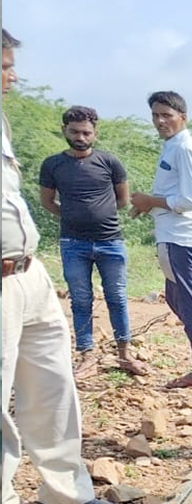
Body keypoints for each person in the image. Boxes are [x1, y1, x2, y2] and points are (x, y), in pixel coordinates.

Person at [2, 29, 124, 504]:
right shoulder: (55, 162)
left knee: (54, 386)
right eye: (5, 65)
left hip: (26, 273)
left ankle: (64, 492)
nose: (12, 76)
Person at [39, 105, 149, 378]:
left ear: (95, 134)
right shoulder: (52, 164)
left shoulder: (109, 162)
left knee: (117, 298)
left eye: (86, 132)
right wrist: (72, 216)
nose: (80, 137)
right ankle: (87, 355)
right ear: (64, 130)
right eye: (75, 131)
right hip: (73, 243)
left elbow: (122, 200)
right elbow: (47, 201)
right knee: (80, 299)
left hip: (110, 241)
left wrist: (98, 215)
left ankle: (125, 354)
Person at [129, 91, 192, 388]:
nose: (159, 121)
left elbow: (191, 199)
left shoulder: (184, 149)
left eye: (166, 114)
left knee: (186, 299)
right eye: (155, 115)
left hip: (180, 235)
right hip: (177, 234)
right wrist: (148, 204)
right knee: (175, 296)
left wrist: (151, 201)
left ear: (183, 116)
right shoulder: (175, 147)